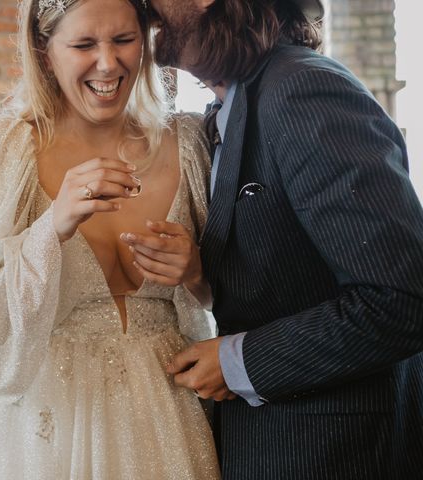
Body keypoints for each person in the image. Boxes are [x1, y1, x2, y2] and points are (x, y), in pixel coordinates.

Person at [122, 0, 423, 478]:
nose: (143, 8)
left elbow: (401, 299)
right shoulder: (230, 108)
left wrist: (238, 362)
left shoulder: (304, 89)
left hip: (333, 453)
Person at [0, 0, 221, 477]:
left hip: (167, 418)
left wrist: (196, 272)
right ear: (44, 50)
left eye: (123, 40)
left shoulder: (191, 144)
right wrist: (51, 226)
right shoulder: (4, 150)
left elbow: (243, 297)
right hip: (43, 431)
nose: (108, 63)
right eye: (84, 44)